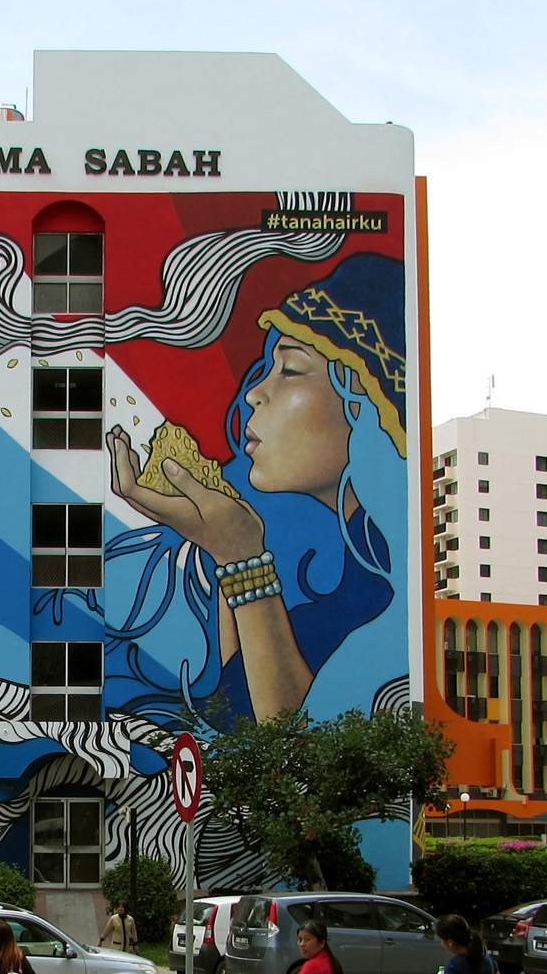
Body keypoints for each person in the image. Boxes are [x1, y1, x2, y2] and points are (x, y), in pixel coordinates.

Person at [106, 252, 407, 723]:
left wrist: (240, 555)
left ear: (365, 400)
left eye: (290, 370)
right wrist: (224, 546)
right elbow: (237, 711)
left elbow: (291, 748)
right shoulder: (355, 573)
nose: (253, 393)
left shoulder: (386, 595)